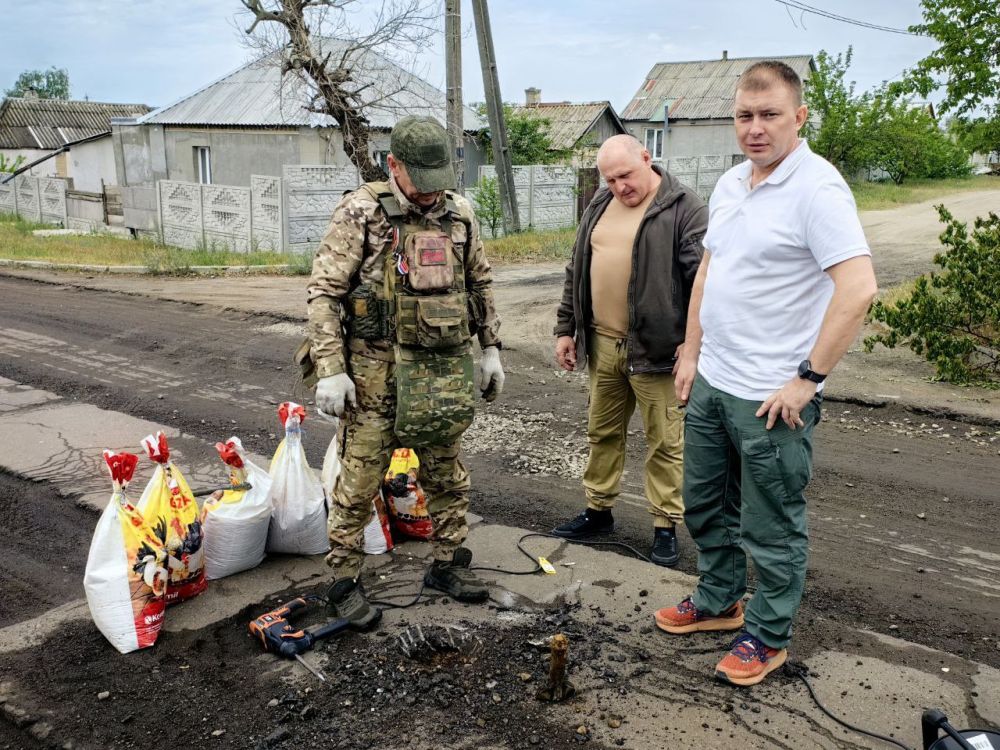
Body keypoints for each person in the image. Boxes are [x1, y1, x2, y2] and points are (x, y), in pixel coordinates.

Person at [654, 61, 878, 685]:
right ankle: (719, 599)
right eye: (745, 116)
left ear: (799, 117)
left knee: (770, 523)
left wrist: (808, 378)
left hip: (771, 398)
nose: (755, 129)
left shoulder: (819, 190)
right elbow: (709, 272)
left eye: (770, 115)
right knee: (703, 502)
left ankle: (768, 634)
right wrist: (691, 352)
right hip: (714, 381)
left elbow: (857, 289)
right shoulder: (730, 185)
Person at [306, 115, 505, 629]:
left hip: (441, 370)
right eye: (421, 178)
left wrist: (491, 350)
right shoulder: (361, 212)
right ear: (393, 164)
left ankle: (447, 564)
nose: (430, 192)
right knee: (360, 480)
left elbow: (480, 286)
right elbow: (325, 294)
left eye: (439, 177)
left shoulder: (459, 215)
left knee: (446, 472)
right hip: (374, 375)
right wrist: (331, 369)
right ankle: (342, 582)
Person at [552, 134, 707, 567]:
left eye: (626, 175)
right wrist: (567, 328)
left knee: (664, 443)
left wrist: (693, 348)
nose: (620, 186)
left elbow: (705, 285)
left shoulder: (684, 209)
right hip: (602, 344)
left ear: (647, 157)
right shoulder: (599, 205)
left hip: (659, 353)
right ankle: (598, 512)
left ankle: (664, 527)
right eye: (611, 178)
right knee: (602, 433)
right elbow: (575, 269)